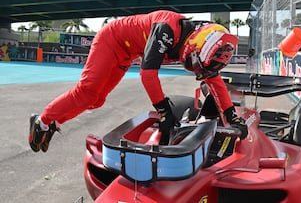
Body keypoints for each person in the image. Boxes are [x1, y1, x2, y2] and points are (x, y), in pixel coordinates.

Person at [28, 10, 248, 152]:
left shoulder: (204, 42)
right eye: (194, 63)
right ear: (195, 45)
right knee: (87, 91)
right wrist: (164, 111)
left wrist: (231, 117)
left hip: (128, 52)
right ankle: (42, 121)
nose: (194, 69)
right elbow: (147, 74)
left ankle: (54, 123)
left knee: (97, 101)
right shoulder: (167, 28)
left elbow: (214, 80)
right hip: (111, 40)